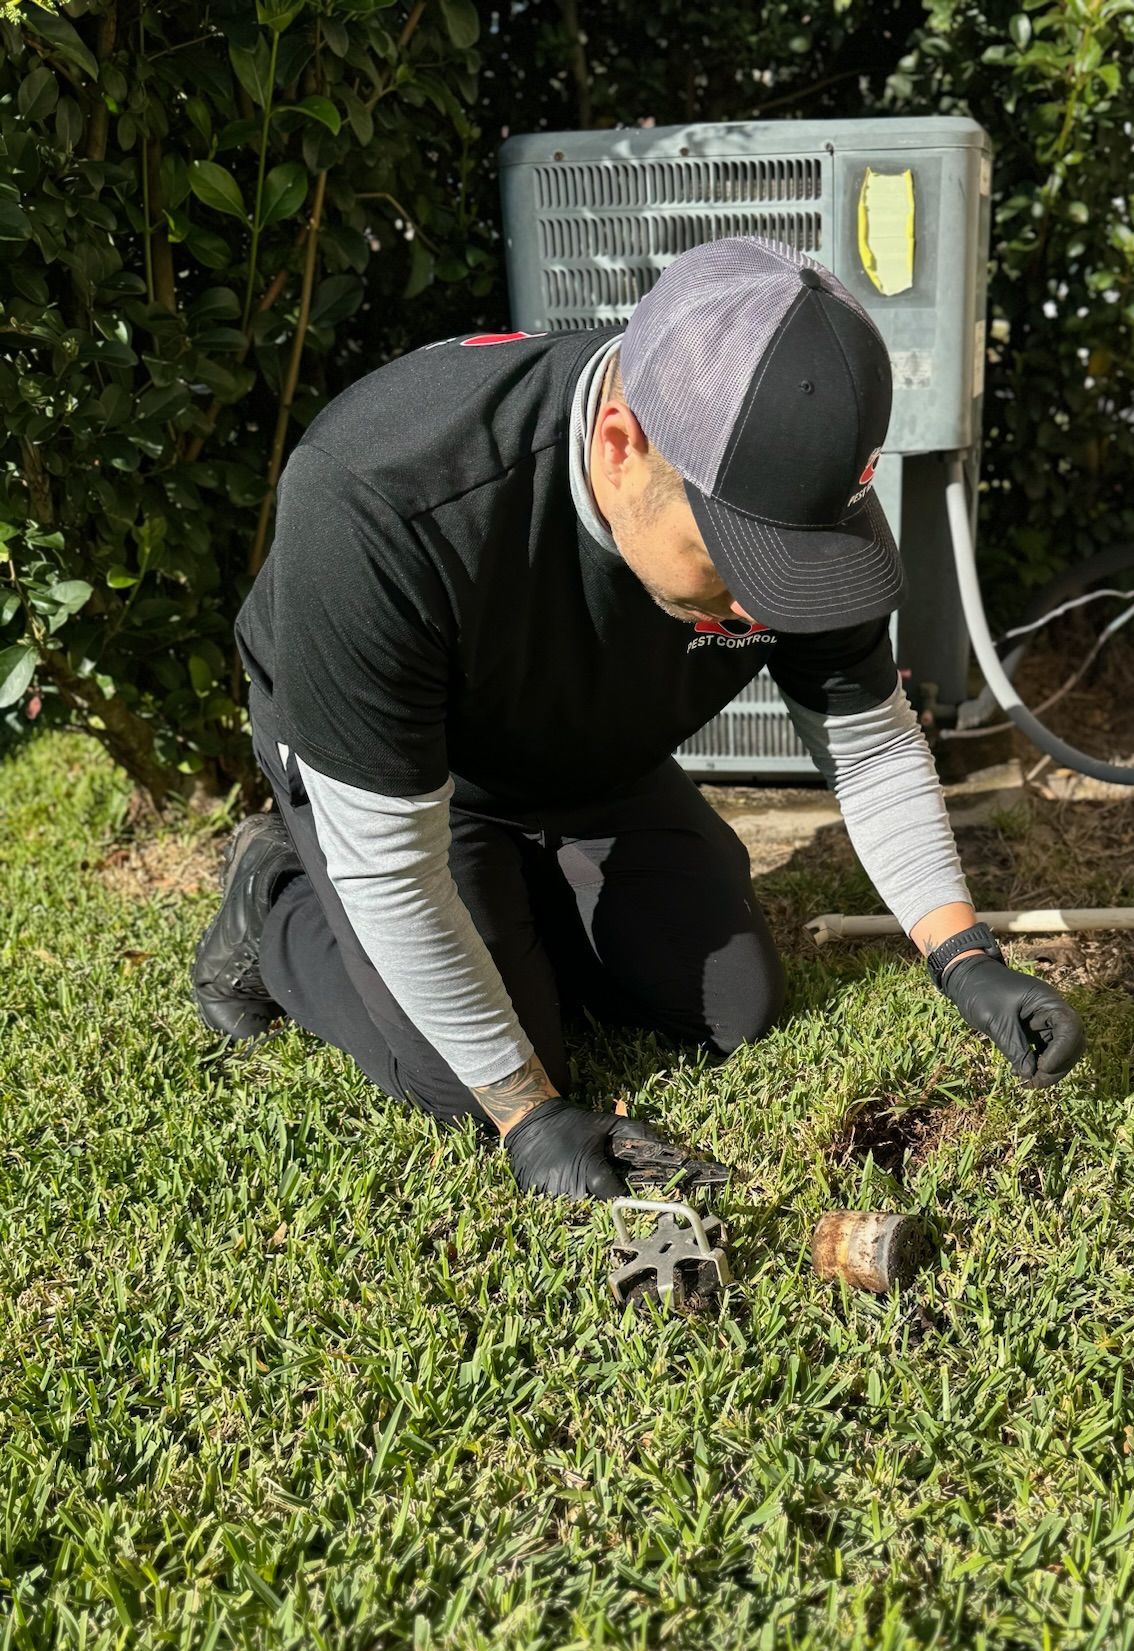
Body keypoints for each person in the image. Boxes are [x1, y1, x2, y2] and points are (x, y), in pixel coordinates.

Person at [191, 235, 1083, 1198]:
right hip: (417, 775)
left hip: (592, 748)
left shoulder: (804, 493)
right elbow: (397, 874)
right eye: (736, 562)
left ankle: (513, 900)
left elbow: (868, 740)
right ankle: (274, 896)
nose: (762, 611)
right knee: (463, 1080)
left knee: (736, 1008)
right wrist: (530, 1116)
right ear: (620, 447)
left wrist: (963, 956)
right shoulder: (379, 500)